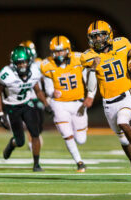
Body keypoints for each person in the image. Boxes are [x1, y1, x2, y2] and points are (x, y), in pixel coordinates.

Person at [80, 20, 131, 181]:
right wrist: (92, 68)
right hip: (108, 103)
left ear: (109, 35)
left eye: (100, 35)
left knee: (123, 122)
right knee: (122, 139)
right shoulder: (88, 56)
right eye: (94, 37)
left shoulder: (123, 43)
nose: (97, 40)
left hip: (126, 96)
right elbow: (91, 87)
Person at [41, 35, 96, 172]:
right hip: (59, 104)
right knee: (66, 133)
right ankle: (79, 162)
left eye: (61, 51)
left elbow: (90, 78)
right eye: (56, 51)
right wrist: (52, 93)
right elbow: (48, 87)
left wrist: (90, 95)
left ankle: (79, 159)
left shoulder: (78, 59)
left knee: (81, 139)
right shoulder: (47, 65)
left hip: (78, 103)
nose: (58, 54)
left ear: (68, 50)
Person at [0, 46, 52, 172]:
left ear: (29, 61)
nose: (22, 65)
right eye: (19, 63)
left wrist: (46, 104)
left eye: (24, 62)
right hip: (12, 106)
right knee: (20, 141)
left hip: (27, 104)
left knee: (35, 133)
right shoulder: (7, 74)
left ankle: (36, 164)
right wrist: (0, 113)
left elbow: (37, 89)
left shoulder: (35, 71)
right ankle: (12, 143)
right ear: (13, 63)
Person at [20, 40, 44, 152]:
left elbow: (46, 78)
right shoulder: (18, 65)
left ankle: (35, 137)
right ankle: (31, 141)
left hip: (38, 97)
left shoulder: (39, 63)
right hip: (27, 98)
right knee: (31, 122)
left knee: (39, 125)